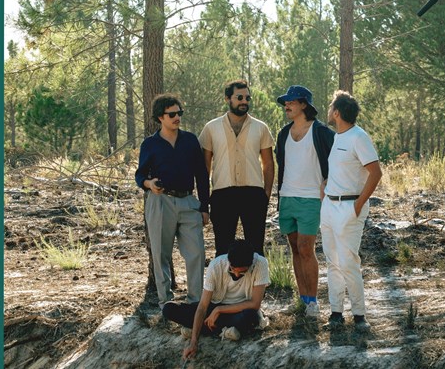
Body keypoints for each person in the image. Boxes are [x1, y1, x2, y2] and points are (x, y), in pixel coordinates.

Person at [135, 93, 210, 309]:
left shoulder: (190, 140)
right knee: (160, 254)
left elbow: (202, 175)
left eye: (179, 113)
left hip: (188, 201)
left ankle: (195, 302)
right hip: (160, 202)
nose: (177, 117)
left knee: (196, 252)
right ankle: (165, 302)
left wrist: (204, 206)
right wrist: (149, 184)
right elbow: (140, 175)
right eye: (172, 114)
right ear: (160, 117)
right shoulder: (150, 144)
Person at [320, 90, 382, 328]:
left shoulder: (359, 137)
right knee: (332, 261)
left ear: (336, 113)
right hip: (329, 206)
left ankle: (359, 316)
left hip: (349, 207)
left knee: (348, 262)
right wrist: (325, 188)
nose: (328, 111)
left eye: (330, 107)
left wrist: (357, 205)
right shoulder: (337, 137)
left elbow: (376, 173)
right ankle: (335, 313)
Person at [274, 85, 334, 317]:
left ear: (304, 105)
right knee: (294, 249)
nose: (286, 106)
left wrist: (328, 180)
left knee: (306, 248)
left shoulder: (321, 132)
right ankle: (303, 298)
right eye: (285, 102)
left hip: (311, 199)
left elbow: (336, 162)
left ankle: (313, 302)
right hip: (287, 198)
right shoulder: (283, 134)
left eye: (291, 102)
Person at [198, 80, 275, 257]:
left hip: (254, 195)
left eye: (247, 98)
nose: (244, 101)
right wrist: (205, 198)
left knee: (256, 249)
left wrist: (266, 194)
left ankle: (257, 284)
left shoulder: (260, 128)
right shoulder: (211, 128)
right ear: (227, 99)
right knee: (223, 249)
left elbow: (268, 163)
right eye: (239, 97)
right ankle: (224, 285)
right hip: (222, 195)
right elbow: (205, 166)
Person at [162, 240, 270, 360]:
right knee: (169, 309)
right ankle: (221, 331)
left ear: (250, 264)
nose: (237, 274)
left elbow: (254, 304)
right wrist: (193, 342)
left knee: (251, 316)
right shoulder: (216, 265)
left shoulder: (260, 263)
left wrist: (219, 310)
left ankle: (203, 329)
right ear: (229, 261)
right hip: (213, 310)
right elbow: (203, 306)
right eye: (233, 270)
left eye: (242, 272)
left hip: (239, 310)